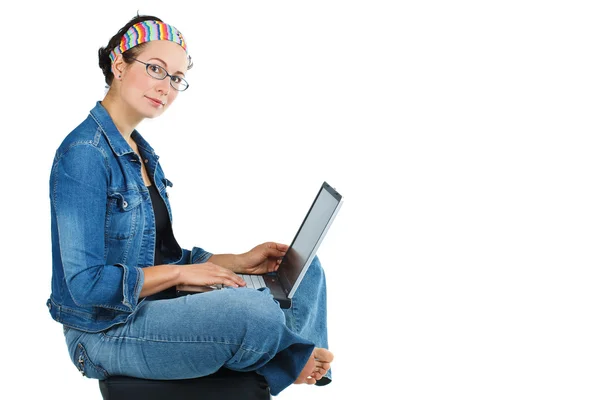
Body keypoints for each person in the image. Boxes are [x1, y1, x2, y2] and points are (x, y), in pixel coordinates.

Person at [46, 14, 333, 396]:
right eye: (155, 69)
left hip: (152, 304)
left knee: (303, 270)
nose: (166, 87)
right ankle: (289, 360)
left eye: (176, 78)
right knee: (254, 312)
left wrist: (237, 261)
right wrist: (183, 277)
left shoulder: (140, 153)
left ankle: (294, 357)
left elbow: (159, 257)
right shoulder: (84, 154)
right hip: (106, 331)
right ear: (119, 65)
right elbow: (86, 285)